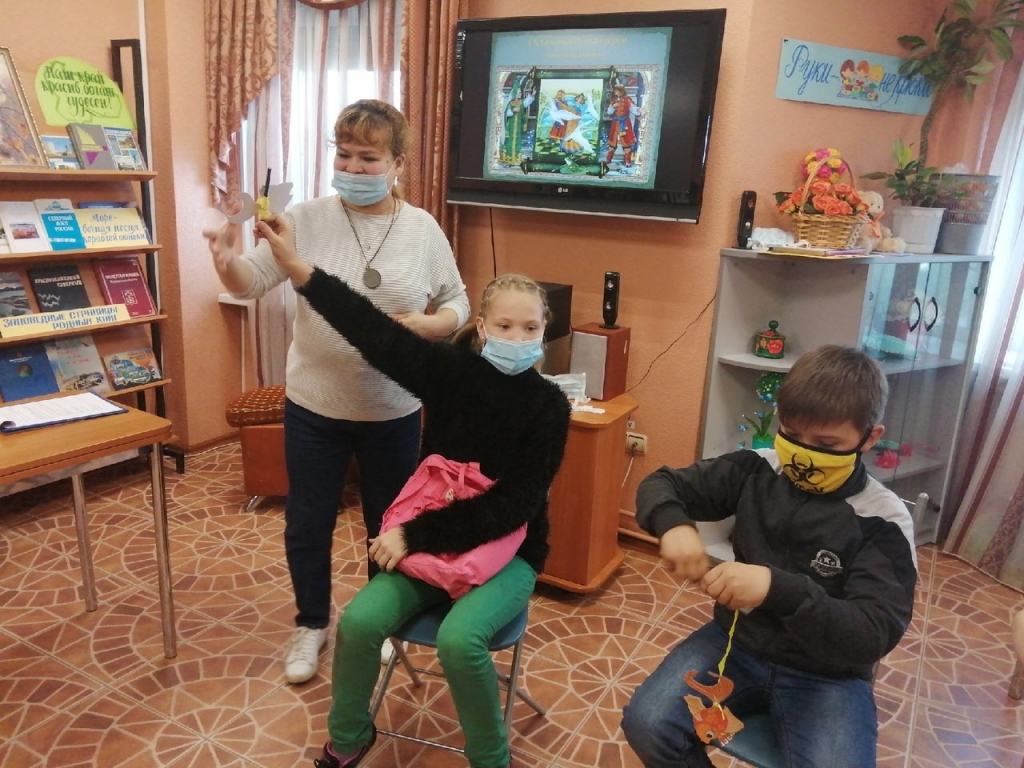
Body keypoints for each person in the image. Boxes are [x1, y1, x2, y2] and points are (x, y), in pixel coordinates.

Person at [256, 218, 570, 768]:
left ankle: (490, 760)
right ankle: (349, 739)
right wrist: (298, 270)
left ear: (545, 331)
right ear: (482, 326)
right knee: (358, 623)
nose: (517, 338)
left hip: (507, 552)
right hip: (433, 543)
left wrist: (413, 534)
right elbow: (372, 331)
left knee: (459, 641)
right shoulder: (451, 373)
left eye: (529, 328)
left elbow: (515, 506)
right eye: (505, 326)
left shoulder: (549, 406)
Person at [204, 99, 471, 684]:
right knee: (307, 522)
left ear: (397, 163)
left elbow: (459, 301)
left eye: (368, 157)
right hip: (314, 407)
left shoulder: (421, 228)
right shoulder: (304, 218)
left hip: (393, 410)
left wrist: (433, 325)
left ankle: (378, 622)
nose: (352, 167)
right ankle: (310, 621)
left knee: (387, 525)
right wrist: (225, 262)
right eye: (343, 153)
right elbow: (253, 280)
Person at [621, 345, 917, 768]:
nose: (802, 452)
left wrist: (778, 590)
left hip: (828, 674)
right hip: (735, 643)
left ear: (869, 437)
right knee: (648, 725)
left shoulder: (882, 520)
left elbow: (873, 633)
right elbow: (661, 484)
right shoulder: (757, 469)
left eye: (826, 443)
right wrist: (673, 525)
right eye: (792, 434)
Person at [605, 83, 640, 168]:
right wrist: (613, 106)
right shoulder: (614, 100)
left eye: (616, 90)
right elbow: (609, 112)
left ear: (621, 91)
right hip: (615, 124)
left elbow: (633, 109)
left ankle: (627, 162)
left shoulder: (627, 99)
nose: (615, 92)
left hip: (624, 124)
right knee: (613, 143)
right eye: (614, 90)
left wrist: (639, 110)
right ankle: (608, 159)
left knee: (626, 143)